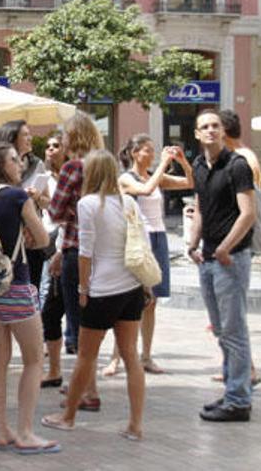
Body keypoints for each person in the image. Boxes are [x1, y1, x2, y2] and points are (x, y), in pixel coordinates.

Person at [41, 150, 147, 441]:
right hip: (131, 287)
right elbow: (143, 241)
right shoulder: (128, 202)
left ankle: (68, 416)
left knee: (86, 356)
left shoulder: (88, 204)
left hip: (103, 289)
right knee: (131, 357)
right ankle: (136, 425)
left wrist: (83, 289)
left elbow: (85, 252)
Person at [0, 143, 59, 454]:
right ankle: (25, 432)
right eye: (13, 159)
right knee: (34, 358)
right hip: (15, 284)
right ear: (1, 165)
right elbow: (44, 239)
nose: (19, 163)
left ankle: (2, 430)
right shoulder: (17, 196)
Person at [104, 134, 193, 376]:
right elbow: (145, 189)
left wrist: (183, 161)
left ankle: (146, 356)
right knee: (130, 299)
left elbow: (190, 182)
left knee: (152, 301)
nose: (152, 155)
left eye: (154, 151)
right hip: (138, 241)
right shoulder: (125, 178)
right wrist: (164, 164)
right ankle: (115, 357)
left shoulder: (156, 176)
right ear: (134, 153)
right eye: (147, 150)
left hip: (159, 237)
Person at [188, 109, 257, 423]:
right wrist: (193, 242)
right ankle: (232, 391)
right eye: (205, 126)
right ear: (197, 133)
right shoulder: (200, 166)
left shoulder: (237, 165)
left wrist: (227, 248)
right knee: (221, 330)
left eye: (216, 125)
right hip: (209, 258)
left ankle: (239, 399)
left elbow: (248, 214)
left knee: (234, 330)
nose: (211, 130)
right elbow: (201, 207)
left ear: (222, 132)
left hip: (232, 258)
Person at [48, 112, 104, 358]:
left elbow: (55, 212)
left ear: (73, 137)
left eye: (65, 134)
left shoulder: (72, 167)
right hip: (102, 250)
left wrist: (47, 201)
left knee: (76, 317)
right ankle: (88, 379)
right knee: (92, 318)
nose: (63, 139)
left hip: (75, 247)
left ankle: (82, 384)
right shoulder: (104, 164)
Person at [220, 109, 261, 387]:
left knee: (234, 314)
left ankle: (246, 370)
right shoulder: (243, 157)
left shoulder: (242, 160)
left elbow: (247, 208)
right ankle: (238, 366)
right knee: (230, 315)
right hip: (230, 244)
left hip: (235, 246)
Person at [0, 120, 49, 297]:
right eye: (25, 135)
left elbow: (47, 202)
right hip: (8, 235)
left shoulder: (37, 164)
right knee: (7, 289)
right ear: (12, 138)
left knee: (32, 288)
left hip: (33, 235)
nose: (30, 138)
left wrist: (37, 197)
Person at [39, 135, 68, 387]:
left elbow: (64, 211)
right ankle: (54, 368)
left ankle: (84, 381)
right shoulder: (43, 178)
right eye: (48, 146)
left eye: (55, 145)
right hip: (51, 239)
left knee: (60, 306)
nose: (51, 150)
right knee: (49, 304)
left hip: (68, 243)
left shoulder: (71, 177)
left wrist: (47, 202)